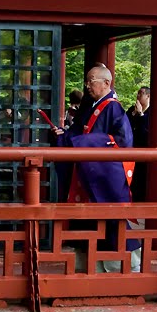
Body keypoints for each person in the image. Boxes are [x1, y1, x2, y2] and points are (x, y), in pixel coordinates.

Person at [53, 65, 140, 273]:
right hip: (90, 173)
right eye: (87, 81)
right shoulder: (93, 106)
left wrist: (85, 142)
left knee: (112, 218)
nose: (87, 85)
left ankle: (126, 263)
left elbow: (122, 142)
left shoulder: (114, 108)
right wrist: (63, 136)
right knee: (91, 218)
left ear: (106, 83)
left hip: (106, 175)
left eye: (91, 81)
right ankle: (96, 263)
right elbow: (77, 133)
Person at [128, 86, 150, 202]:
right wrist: (133, 114)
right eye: (138, 93)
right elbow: (125, 126)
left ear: (148, 96)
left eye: (141, 93)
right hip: (132, 149)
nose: (138, 96)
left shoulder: (152, 112)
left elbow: (146, 132)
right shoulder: (132, 109)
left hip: (145, 151)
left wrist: (141, 115)